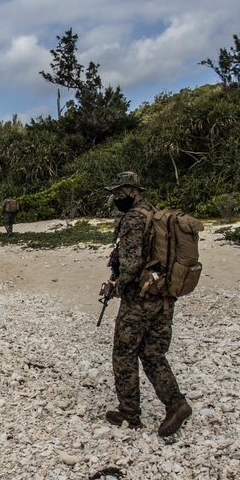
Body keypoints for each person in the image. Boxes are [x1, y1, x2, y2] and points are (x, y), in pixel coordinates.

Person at [103, 171, 192, 437]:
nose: (116, 198)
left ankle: (129, 413)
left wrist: (116, 286)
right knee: (153, 354)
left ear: (132, 190)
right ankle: (176, 403)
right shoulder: (156, 215)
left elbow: (130, 264)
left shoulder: (133, 219)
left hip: (139, 300)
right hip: (164, 295)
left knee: (124, 354)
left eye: (119, 193)